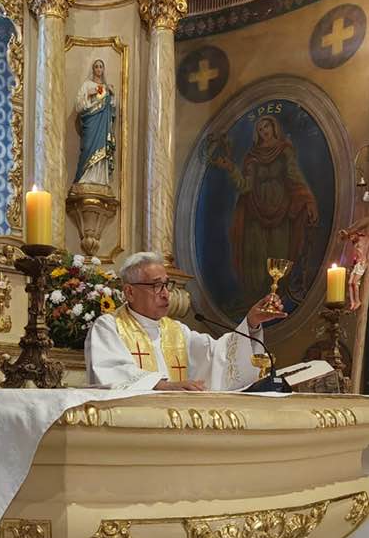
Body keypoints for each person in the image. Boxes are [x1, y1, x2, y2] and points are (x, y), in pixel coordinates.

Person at [84, 252, 286, 391]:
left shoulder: (176, 331)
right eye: (156, 286)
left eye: (166, 285)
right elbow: (111, 371)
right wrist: (164, 386)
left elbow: (218, 356)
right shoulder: (109, 327)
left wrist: (251, 321)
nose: (165, 294)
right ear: (129, 291)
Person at [214, 115, 318, 299]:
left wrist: (308, 199)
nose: (264, 131)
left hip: (281, 212)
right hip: (255, 212)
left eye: (266, 127)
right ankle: (256, 300)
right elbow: (245, 186)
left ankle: (277, 298)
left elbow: (294, 176)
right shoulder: (252, 157)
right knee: (256, 257)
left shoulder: (285, 150)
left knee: (279, 254)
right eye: (260, 129)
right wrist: (231, 168)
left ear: (274, 127)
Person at [73, 58, 116, 186]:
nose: (98, 69)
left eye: (100, 67)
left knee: (101, 149)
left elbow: (112, 109)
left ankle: (99, 179)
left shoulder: (107, 88)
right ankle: (84, 177)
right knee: (87, 148)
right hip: (90, 124)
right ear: (93, 69)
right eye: (96, 66)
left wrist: (112, 96)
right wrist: (88, 94)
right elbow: (78, 106)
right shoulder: (87, 85)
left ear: (103, 70)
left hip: (102, 125)